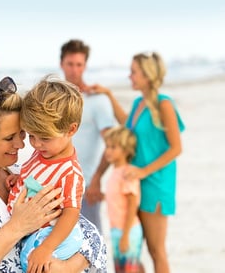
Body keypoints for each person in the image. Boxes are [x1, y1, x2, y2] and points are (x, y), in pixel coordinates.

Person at [0, 76, 108, 273]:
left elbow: (89, 235)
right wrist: (17, 227)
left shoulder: (21, 171)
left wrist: (67, 267)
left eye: (22, 134)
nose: (22, 145)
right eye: (9, 138)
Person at [94, 52, 185, 273]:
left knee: (156, 250)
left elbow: (176, 148)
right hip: (135, 182)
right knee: (133, 250)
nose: (130, 76)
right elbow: (127, 125)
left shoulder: (164, 105)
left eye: (133, 72)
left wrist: (144, 171)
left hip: (155, 183)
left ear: (147, 75)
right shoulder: (139, 103)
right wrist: (108, 95)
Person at [7, 75, 85, 272]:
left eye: (44, 138)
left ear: (71, 129)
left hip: (51, 236)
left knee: (33, 263)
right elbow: (38, 177)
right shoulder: (42, 152)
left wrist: (46, 248)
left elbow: (71, 213)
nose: (36, 144)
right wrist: (21, 179)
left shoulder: (70, 173)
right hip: (32, 232)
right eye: (31, 136)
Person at [60, 39, 115, 233]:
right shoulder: (54, 100)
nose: (74, 70)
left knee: (91, 248)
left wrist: (98, 179)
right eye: (70, 64)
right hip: (55, 188)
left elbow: (113, 144)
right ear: (61, 64)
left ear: (85, 66)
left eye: (79, 65)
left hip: (86, 188)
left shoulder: (97, 101)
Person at [103, 126, 144, 273]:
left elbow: (133, 205)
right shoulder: (115, 172)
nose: (108, 151)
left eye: (113, 147)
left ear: (126, 151)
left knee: (129, 269)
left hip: (128, 230)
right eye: (107, 146)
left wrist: (125, 235)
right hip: (116, 230)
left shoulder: (128, 173)